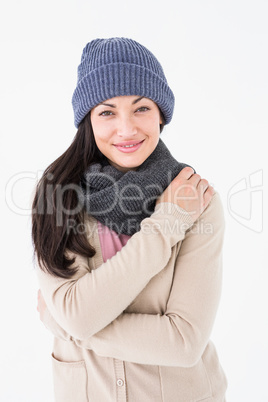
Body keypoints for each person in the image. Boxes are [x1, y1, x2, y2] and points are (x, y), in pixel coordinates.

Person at [33, 37, 227, 401]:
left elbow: (183, 342)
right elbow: (77, 314)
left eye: (141, 109)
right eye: (107, 112)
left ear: (160, 114)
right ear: (88, 119)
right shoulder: (53, 195)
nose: (126, 129)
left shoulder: (195, 200)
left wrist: (71, 327)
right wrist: (165, 225)